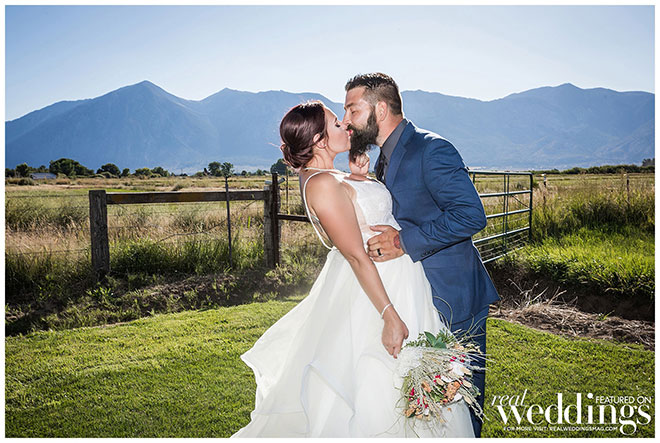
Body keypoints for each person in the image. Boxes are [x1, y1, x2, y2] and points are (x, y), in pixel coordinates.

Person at [231, 100, 475, 437]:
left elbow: (360, 215)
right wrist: (389, 315)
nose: (346, 126)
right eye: (336, 123)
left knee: (415, 378)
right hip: (377, 291)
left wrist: (359, 178)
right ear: (318, 140)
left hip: (402, 279)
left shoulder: (331, 176)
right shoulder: (320, 184)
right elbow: (356, 255)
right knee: (381, 385)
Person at [342, 72, 500, 437]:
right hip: (416, 296)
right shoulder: (383, 159)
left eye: (353, 109)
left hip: (453, 296)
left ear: (380, 109)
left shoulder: (431, 149)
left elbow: (470, 215)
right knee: (428, 404)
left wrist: (402, 242)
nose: (347, 119)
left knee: (461, 402)